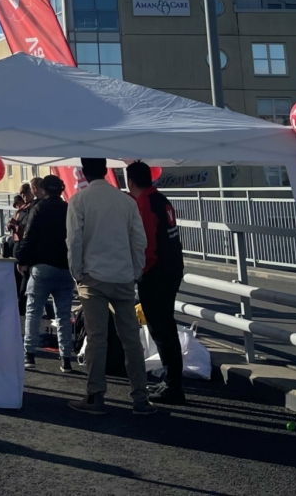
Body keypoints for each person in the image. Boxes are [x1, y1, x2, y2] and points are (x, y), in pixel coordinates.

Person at [66, 157, 155, 416]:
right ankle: (141, 397)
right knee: (131, 338)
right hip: (123, 276)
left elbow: (74, 241)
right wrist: (135, 270)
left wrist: (77, 273)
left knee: (97, 338)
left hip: (92, 278)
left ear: (83, 172)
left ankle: (96, 395)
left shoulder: (78, 201)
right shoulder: (126, 201)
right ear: (106, 171)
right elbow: (139, 240)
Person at [126, 160, 186, 404]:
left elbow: (147, 245)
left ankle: (173, 384)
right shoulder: (161, 199)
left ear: (130, 181)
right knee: (166, 326)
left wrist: (140, 272)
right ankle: (172, 380)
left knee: (161, 329)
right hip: (172, 268)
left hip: (156, 273)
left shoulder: (143, 205)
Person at [16, 175, 74, 373]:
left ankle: (29, 355)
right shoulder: (68, 209)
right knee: (64, 315)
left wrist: (21, 259)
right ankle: (66, 359)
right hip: (65, 268)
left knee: (34, 311)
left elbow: (29, 236)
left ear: (44, 189)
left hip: (42, 267)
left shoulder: (38, 208)